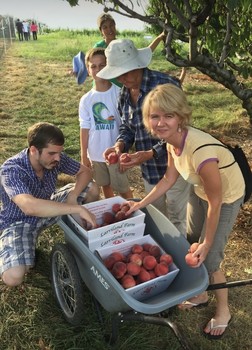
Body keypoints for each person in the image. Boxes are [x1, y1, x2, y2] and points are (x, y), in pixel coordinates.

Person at [125, 83, 245, 339]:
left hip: (226, 197)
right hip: (200, 190)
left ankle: (223, 310)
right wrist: (139, 204)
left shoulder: (200, 151)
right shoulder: (171, 142)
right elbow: (168, 180)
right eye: (154, 116)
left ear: (181, 117)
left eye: (168, 115)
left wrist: (208, 242)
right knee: (191, 242)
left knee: (209, 258)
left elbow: (216, 201)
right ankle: (201, 294)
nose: (160, 122)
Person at [97, 39, 191, 235]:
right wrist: (119, 145)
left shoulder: (165, 85)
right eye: (118, 74)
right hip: (150, 169)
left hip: (176, 163)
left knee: (176, 217)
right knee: (157, 216)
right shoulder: (124, 94)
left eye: (126, 72)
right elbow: (127, 127)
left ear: (138, 65)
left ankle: (180, 258)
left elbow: (181, 129)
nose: (122, 78)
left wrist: (151, 153)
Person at [0, 122, 99, 288]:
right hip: (19, 221)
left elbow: (86, 172)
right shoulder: (11, 169)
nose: (58, 158)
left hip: (48, 206)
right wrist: (75, 208)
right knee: (13, 277)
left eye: (59, 152)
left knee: (93, 189)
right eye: (52, 153)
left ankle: (84, 239)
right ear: (33, 150)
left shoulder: (55, 158)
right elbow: (29, 206)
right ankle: (12, 248)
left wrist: (73, 197)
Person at [79, 48, 133, 199]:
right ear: (88, 70)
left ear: (109, 66)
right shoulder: (86, 99)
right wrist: (84, 155)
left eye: (102, 65)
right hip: (95, 153)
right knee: (105, 186)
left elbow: (127, 125)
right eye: (93, 66)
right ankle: (113, 212)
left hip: (115, 152)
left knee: (123, 189)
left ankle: (133, 211)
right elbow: (84, 128)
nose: (98, 69)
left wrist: (122, 151)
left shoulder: (120, 93)